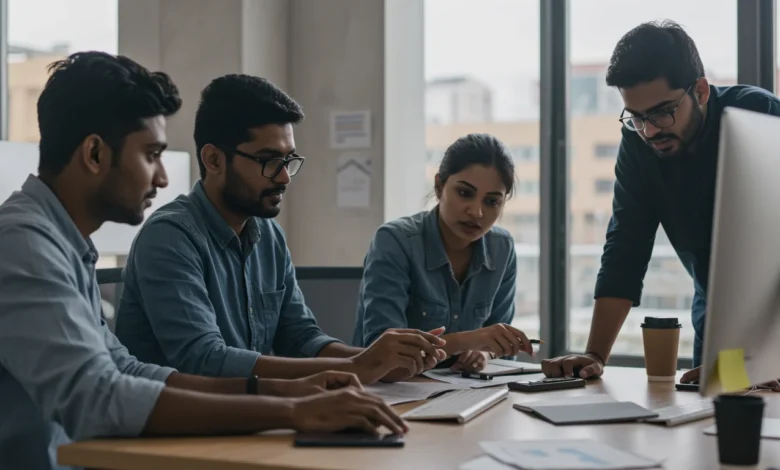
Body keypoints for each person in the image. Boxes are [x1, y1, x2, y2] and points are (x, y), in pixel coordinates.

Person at [0, 52, 406, 470]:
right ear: (94, 154)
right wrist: (291, 410)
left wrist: (289, 392)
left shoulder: (65, 244)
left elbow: (125, 369)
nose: (162, 177)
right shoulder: (23, 244)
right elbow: (99, 396)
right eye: (151, 155)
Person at [115, 74, 447, 385]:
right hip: (182, 422)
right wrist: (357, 367)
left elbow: (301, 337)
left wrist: (378, 361)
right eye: (269, 160)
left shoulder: (268, 236)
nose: (285, 176)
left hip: (249, 414)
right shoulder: (170, 237)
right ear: (214, 160)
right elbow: (204, 360)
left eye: (288, 160)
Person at [540, 20, 780, 387]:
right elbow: (626, 246)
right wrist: (595, 355)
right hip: (719, 324)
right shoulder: (638, 145)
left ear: (700, 91)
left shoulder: (759, 114)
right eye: (637, 117)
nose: (650, 130)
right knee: (716, 413)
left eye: (662, 112)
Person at [352, 134, 534, 373]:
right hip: (387, 388)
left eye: (491, 202)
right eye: (465, 193)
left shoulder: (502, 248)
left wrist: (484, 353)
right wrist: (467, 341)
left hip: (464, 388)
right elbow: (385, 357)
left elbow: (501, 344)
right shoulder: (395, 241)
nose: (477, 212)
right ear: (439, 186)